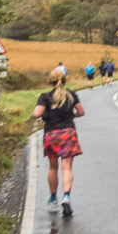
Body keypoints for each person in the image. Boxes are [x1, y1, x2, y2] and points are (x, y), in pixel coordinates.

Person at [33, 66, 85, 217]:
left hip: (51, 134)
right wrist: (71, 116)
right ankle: (66, 196)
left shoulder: (45, 97)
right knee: (67, 168)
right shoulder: (71, 95)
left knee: (53, 168)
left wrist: (37, 114)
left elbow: (37, 114)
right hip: (68, 133)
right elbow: (81, 111)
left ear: (50, 82)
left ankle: (53, 197)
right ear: (64, 80)